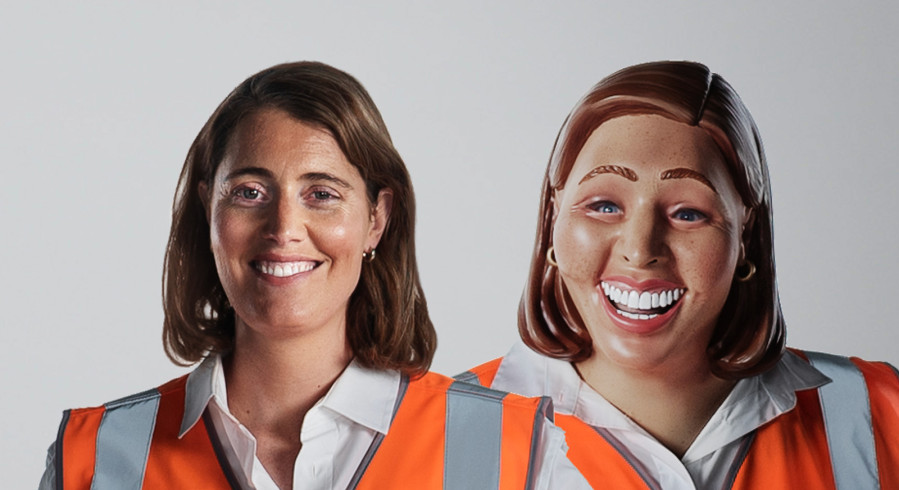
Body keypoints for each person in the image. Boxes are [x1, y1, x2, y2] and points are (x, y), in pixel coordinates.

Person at [40, 61, 585, 490]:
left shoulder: (510, 450)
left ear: (377, 219)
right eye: (250, 193)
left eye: (321, 195)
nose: (284, 228)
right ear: (209, 211)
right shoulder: (94, 457)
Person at [458, 61, 899, 489]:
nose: (639, 249)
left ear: (745, 233)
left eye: (688, 213)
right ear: (553, 218)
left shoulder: (881, 410)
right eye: (604, 206)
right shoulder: (434, 432)